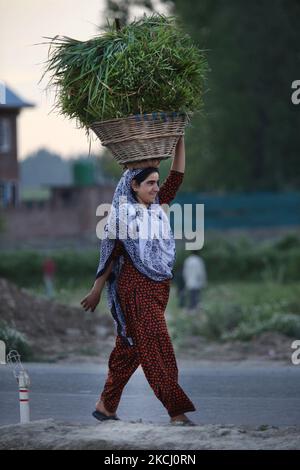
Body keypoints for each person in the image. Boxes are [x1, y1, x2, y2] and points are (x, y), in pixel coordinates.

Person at [81, 136, 196, 426]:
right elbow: (109, 256)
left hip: (158, 289)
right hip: (135, 290)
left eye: (157, 183)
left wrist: (179, 138)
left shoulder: (157, 206)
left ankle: (105, 405)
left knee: (129, 349)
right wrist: (96, 290)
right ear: (134, 185)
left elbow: (178, 174)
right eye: (150, 184)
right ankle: (176, 412)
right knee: (158, 348)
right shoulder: (123, 217)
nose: (156, 188)